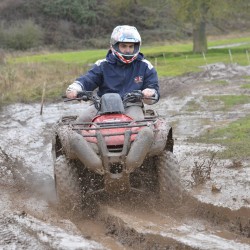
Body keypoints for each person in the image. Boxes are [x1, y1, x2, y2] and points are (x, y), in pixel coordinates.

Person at [66, 25, 159, 122]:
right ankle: (79, 137)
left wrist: (149, 92)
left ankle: (141, 136)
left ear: (136, 47)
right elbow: (88, 80)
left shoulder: (145, 66)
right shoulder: (102, 65)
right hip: (102, 105)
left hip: (132, 105)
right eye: (123, 46)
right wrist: (75, 88)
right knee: (81, 122)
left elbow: (153, 88)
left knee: (138, 123)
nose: (127, 50)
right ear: (114, 46)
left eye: (131, 46)